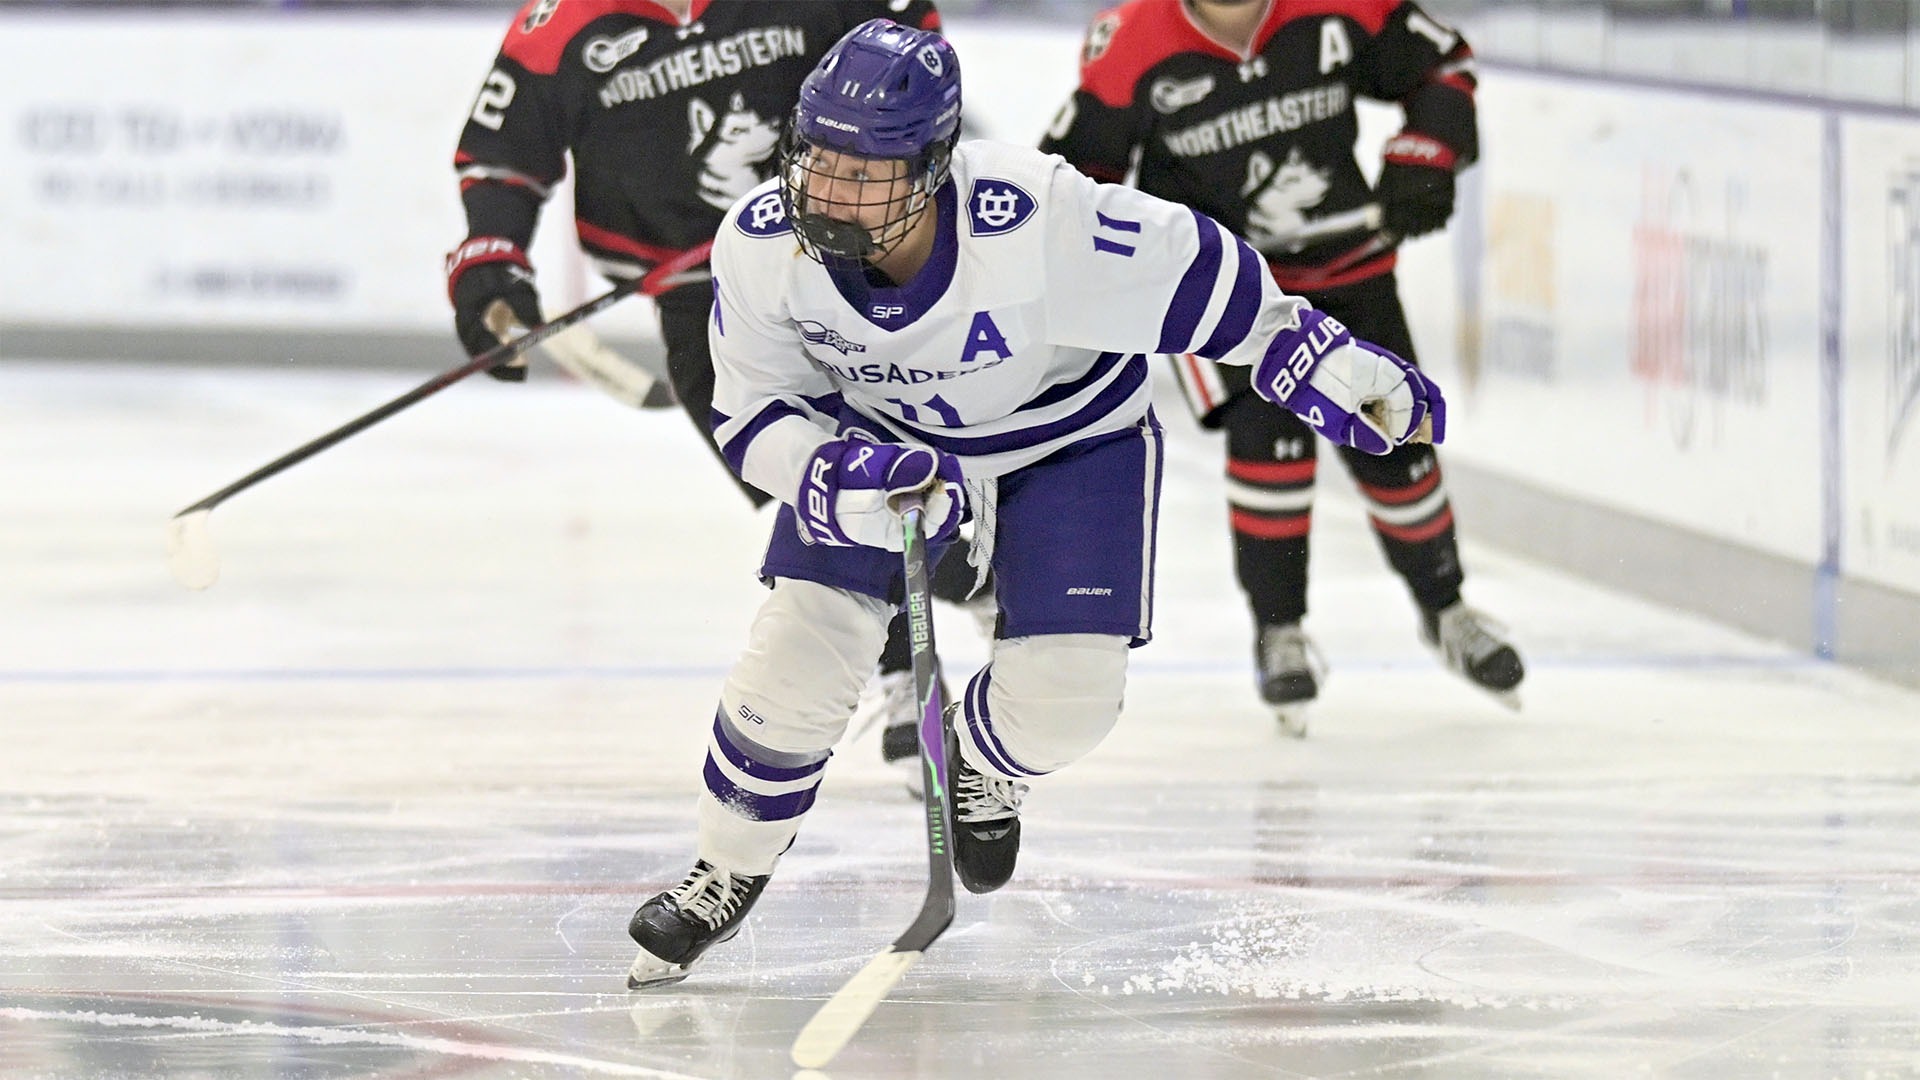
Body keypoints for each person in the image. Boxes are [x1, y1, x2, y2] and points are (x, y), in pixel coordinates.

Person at [624, 17, 1445, 988]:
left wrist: (1315, 355)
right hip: (886, 457)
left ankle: (976, 757)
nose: (830, 193)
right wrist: (832, 479)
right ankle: (727, 866)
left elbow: (1196, 269)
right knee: (794, 659)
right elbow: (750, 412)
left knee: (1066, 706)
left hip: (1064, 444)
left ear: (933, 167)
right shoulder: (764, 245)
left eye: (868, 171)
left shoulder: (1037, 218)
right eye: (818, 162)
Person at [444, 0, 991, 776]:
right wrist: (493, 269)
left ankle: (980, 588)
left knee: (910, 468)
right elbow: (503, 155)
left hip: (841, 259)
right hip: (699, 297)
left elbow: (915, 45)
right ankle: (908, 673)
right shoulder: (559, 25)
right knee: (810, 487)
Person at [1039, 0, 1524, 735]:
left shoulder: (1342, 8)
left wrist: (1427, 150)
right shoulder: (1131, 41)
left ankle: (1446, 609)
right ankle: (1279, 629)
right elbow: (1074, 181)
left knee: (1397, 447)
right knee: (1271, 447)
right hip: (1225, 299)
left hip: (1351, 276)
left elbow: (1443, 66)